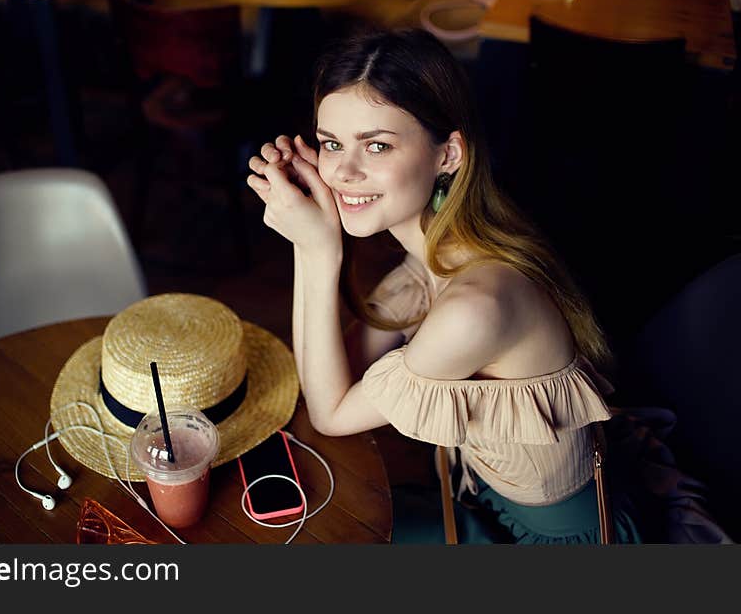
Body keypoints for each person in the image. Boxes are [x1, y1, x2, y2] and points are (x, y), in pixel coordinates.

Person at [244, 28, 643, 543]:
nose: (343, 172)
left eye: (378, 145)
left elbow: (331, 413)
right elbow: (337, 372)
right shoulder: (433, 257)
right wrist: (316, 222)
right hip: (477, 503)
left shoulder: (475, 307)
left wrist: (315, 248)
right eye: (331, 144)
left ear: (448, 155)